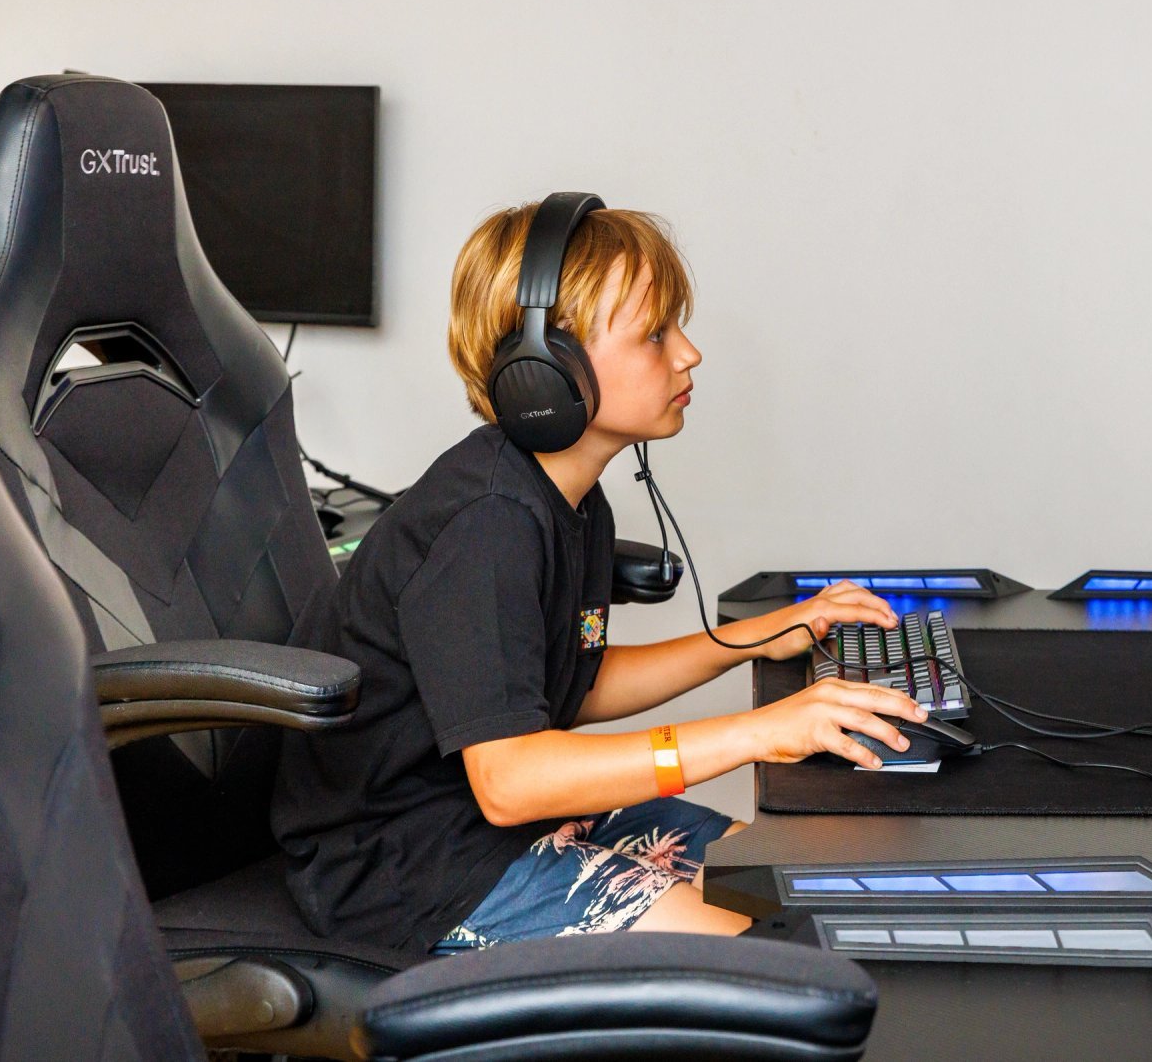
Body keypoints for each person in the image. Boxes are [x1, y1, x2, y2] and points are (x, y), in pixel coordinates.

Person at [272, 199, 923, 954]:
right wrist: (755, 732)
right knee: (779, 961)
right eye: (655, 334)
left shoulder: (571, 497)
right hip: (408, 865)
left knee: (803, 889)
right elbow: (511, 777)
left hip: (497, 826)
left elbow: (571, 685)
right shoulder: (484, 524)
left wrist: (749, 640)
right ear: (547, 370)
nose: (689, 354)